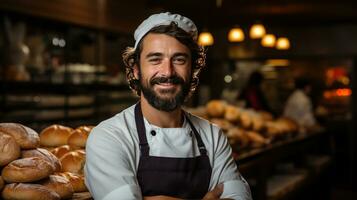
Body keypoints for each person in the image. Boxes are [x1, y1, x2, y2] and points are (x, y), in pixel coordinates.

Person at [84, 12, 252, 200]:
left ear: (192, 68)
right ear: (136, 70)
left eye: (179, 59)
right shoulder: (110, 137)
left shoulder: (213, 136)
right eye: (155, 59)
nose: (168, 71)